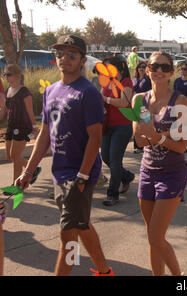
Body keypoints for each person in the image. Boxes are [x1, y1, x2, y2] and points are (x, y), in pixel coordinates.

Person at [15, 34, 113, 276]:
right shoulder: (51, 91)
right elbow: (44, 136)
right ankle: (104, 271)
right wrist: (28, 172)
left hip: (79, 173)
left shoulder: (88, 92)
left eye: (72, 54)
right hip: (59, 171)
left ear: (82, 60)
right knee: (80, 225)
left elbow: (95, 137)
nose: (64, 58)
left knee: (67, 234)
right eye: (60, 53)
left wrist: (82, 176)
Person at [133, 51, 187, 276]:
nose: (159, 71)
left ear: (172, 72)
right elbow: (138, 140)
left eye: (165, 68)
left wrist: (156, 136)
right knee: (152, 236)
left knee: (156, 236)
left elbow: (181, 146)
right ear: (147, 69)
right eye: (154, 66)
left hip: (172, 174)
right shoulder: (139, 100)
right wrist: (164, 135)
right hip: (147, 171)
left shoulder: (180, 101)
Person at [100, 56, 135, 206]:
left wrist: (105, 100)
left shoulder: (126, 82)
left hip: (122, 127)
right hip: (107, 126)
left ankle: (112, 194)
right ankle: (126, 176)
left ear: (119, 68)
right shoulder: (107, 83)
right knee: (106, 158)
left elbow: (123, 102)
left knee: (115, 161)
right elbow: (100, 99)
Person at [0, 64, 40, 188]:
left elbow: (30, 111)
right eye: (4, 74)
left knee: (15, 156)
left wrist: (34, 127)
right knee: (10, 156)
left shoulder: (24, 92)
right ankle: (32, 169)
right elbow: (4, 109)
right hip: (11, 126)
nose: (6, 77)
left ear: (17, 75)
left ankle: (16, 186)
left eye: (8, 74)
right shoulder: (8, 91)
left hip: (23, 127)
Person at [132, 61, 152, 153]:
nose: (141, 68)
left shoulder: (148, 79)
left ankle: (145, 144)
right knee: (136, 124)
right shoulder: (135, 79)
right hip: (135, 104)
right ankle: (137, 145)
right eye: (140, 67)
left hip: (145, 104)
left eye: (144, 67)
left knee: (144, 124)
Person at [174, 63, 187, 148]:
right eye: (181, 69)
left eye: (184, 69)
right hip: (177, 105)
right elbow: (173, 92)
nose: (182, 71)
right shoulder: (177, 81)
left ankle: (184, 144)